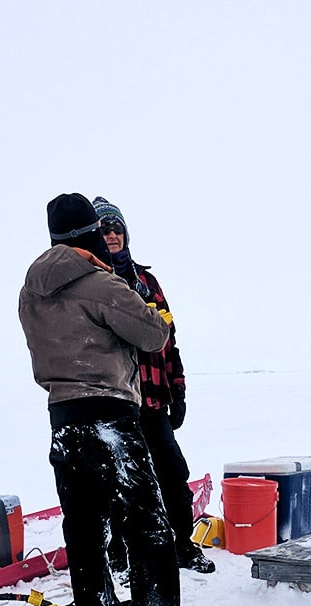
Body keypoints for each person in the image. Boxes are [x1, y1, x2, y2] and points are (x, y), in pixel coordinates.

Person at [17, 193, 204, 606]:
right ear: (89, 234)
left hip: (62, 417)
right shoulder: (99, 284)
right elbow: (153, 333)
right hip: (111, 414)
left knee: (83, 524)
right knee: (146, 519)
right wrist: (147, 307)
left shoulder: (31, 289)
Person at [91, 196, 217, 575]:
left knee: (174, 474)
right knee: (118, 485)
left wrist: (177, 391)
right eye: (104, 229)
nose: (112, 235)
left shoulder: (147, 282)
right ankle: (120, 553)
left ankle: (183, 545)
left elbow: (169, 341)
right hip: (116, 404)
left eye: (117, 228)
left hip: (153, 402)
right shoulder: (95, 284)